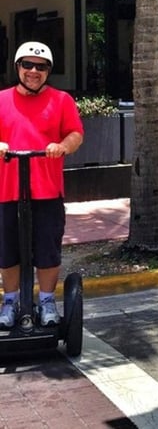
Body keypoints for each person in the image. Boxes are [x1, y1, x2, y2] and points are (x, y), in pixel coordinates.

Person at [0, 41, 84, 329]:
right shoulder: (1, 100)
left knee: (48, 248)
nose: (33, 71)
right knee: (6, 249)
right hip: (6, 190)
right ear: (17, 68)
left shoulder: (61, 101)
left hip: (47, 190)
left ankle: (47, 300)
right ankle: (10, 300)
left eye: (41, 67)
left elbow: (75, 133)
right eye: (27, 65)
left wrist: (61, 146)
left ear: (48, 71)